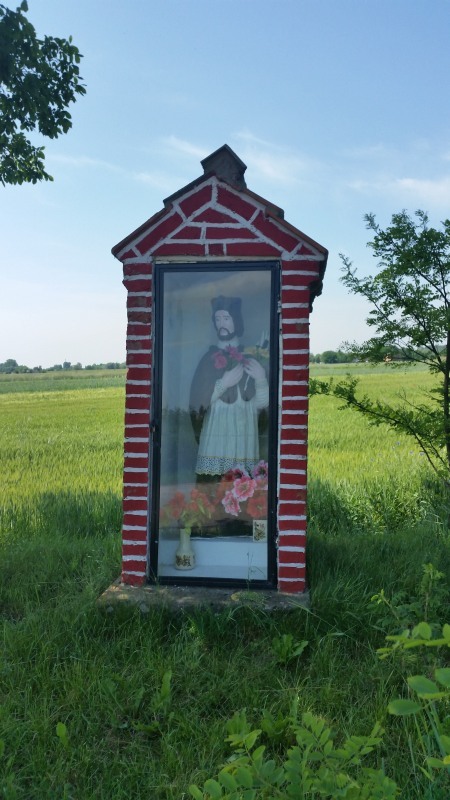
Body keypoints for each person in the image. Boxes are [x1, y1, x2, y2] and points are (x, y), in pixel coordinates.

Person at [189, 296, 269, 480]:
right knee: (214, 483)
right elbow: (199, 403)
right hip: (217, 434)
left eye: (226, 318)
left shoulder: (250, 358)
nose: (221, 324)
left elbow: (260, 406)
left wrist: (261, 379)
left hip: (244, 434)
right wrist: (223, 383)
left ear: (236, 321)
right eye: (217, 319)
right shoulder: (208, 360)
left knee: (242, 482)